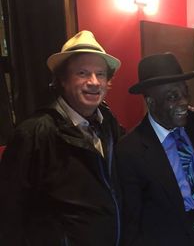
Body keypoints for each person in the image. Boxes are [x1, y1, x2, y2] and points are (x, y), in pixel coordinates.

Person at [0, 30, 124, 246]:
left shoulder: (109, 123)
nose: (94, 82)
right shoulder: (34, 133)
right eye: (83, 73)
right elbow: (9, 212)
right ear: (63, 80)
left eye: (101, 74)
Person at [117, 53, 194, 246]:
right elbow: (132, 220)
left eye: (185, 93)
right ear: (150, 102)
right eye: (172, 97)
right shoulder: (129, 151)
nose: (183, 102)